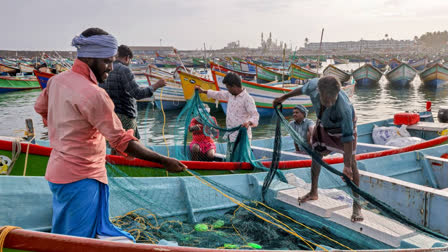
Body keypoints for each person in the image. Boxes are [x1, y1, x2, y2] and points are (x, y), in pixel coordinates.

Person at [34, 28, 187, 240]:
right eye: (106, 61)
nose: (111, 67)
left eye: (112, 61)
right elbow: (122, 141)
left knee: (64, 233)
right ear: (88, 57)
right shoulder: (94, 94)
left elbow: (41, 108)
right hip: (82, 177)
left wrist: (64, 130)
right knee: (79, 242)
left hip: (57, 173)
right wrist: (163, 160)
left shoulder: (56, 81)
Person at [273, 76, 363, 222]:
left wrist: (346, 166)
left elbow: (347, 139)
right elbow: (300, 90)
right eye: (325, 99)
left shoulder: (344, 108)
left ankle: (357, 206)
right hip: (324, 124)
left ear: (338, 93)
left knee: (352, 164)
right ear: (318, 92)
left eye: (331, 100)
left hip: (343, 129)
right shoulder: (313, 86)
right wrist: (283, 97)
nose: (328, 103)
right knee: (316, 154)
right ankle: (313, 192)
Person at [99, 44, 166, 150]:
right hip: (125, 116)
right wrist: (156, 85)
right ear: (127, 58)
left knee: (114, 147)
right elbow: (137, 94)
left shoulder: (104, 69)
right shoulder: (124, 70)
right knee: (130, 148)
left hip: (109, 117)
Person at [195, 72, 259, 161]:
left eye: (228, 87)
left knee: (241, 159)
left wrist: (249, 122)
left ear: (234, 86)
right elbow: (218, 94)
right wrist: (203, 91)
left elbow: (255, 116)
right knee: (231, 158)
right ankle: (232, 170)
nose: (228, 90)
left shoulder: (247, 99)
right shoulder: (230, 95)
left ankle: (241, 172)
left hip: (242, 136)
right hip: (231, 134)